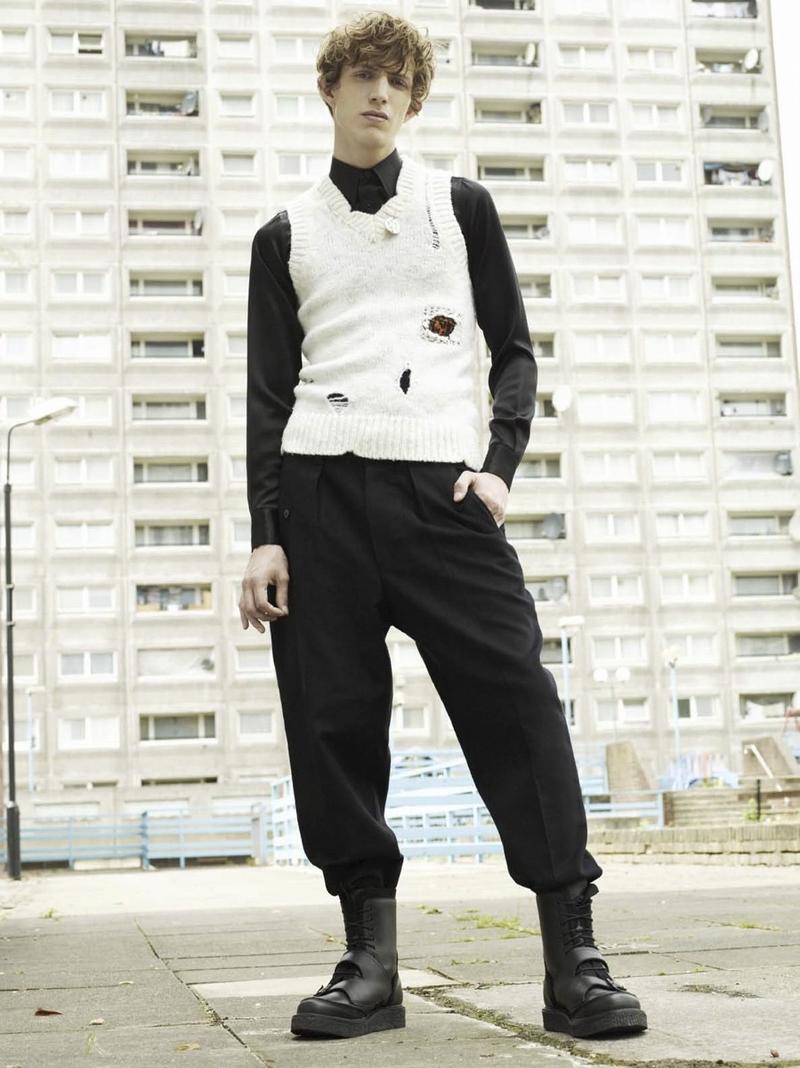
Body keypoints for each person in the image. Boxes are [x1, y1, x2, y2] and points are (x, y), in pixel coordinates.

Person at [239, 9, 647, 1044]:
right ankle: (370, 968)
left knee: (517, 702)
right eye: (361, 76)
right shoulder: (283, 236)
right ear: (329, 90)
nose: (379, 92)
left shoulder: (459, 206)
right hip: (319, 495)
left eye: (397, 80)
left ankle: (573, 961)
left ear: (413, 100)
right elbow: (267, 396)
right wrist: (266, 532)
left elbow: (513, 350)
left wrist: (498, 467)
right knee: (331, 722)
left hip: (442, 493)